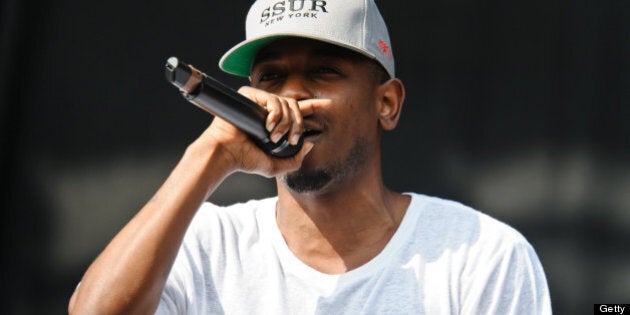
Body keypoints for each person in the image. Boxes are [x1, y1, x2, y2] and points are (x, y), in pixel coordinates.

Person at [68, 0, 552, 314]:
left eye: (323, 72)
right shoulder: (205, 245)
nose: (292, 96)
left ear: (387, 103)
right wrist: (210, 154)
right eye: (271, 78)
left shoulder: (481, 255)